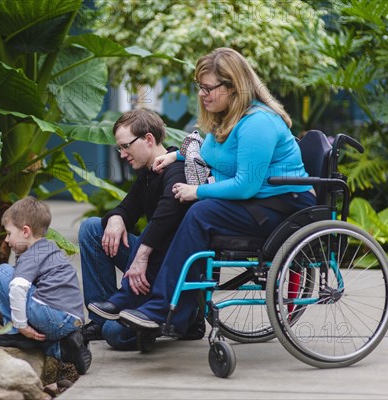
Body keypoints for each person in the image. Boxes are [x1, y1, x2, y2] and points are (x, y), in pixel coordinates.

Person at [115, 47, 318, 336]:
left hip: (286, 208)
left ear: (234, 87)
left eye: (209, 87)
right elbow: (211, 153)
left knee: (200, 211)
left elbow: (246, 185)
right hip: (261, 203)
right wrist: (176, 157)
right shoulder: (226, 118)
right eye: (200, 86)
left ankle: (162, 308)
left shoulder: (257, 123)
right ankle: (174, 309)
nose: (202, 94)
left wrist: (197, 191)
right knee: (195, 211)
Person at [80, 108, 200, 350]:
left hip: (171, 270)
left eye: (126, 146)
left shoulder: (176, 168)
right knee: (93, 228)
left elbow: (168, 212)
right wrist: (116, 218)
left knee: (115, 333)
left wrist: (141, 255)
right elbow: (128, 207)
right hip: (152, 264)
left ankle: (186, 318)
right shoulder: (148, 172)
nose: (122, 154)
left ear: (148, 139)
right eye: (120, 148)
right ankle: (103, 317)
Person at [0, 197, 92, 374]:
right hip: (71, 320)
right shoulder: (49, 249)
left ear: (25, 232)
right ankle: (65, 349)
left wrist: (21, 325)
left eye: (9, 233)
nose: (6, 240)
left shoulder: (32, 255)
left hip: (53, 317)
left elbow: (17, 287)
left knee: (2, 272)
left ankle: (14, 332)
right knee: (34, 338)